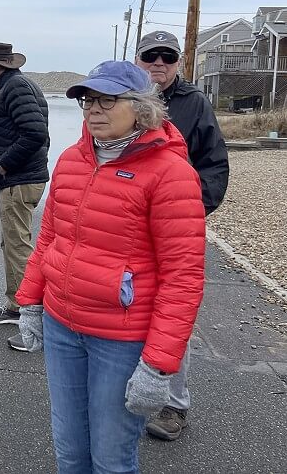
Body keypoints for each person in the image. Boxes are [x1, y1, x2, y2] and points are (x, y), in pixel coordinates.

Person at [15, 60, 206, 474]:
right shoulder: (70, 160)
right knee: (69, 453)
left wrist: (158, 366)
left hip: (120, 340)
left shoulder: (171, 173)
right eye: (87, 101)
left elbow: (183, 278)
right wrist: (29, 302)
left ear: (141, 107)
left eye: (107, 100)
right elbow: (49, 239)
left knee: (111, 460)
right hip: (62, 326)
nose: (93, 110)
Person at [135, 30, 229, 441]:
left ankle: (174, 405)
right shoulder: (123, 99)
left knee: (172, 316)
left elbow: (215, 166)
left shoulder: (195, 104)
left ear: (178, 61)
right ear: (137, 60)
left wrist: (190, 210)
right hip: (128, 230)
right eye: (150, 56)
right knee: (127, 311)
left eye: (167, 56)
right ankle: (131, 391)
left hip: (174, 232)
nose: (159, 63)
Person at [0, 42, 49, 351]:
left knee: (18, 246)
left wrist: (4, 164)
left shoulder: (15, 88)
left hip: (19, 180)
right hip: (23, 179)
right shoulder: (19, 85)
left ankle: (26, 311)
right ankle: (17, 305)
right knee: (14, 242)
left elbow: (35, 133)